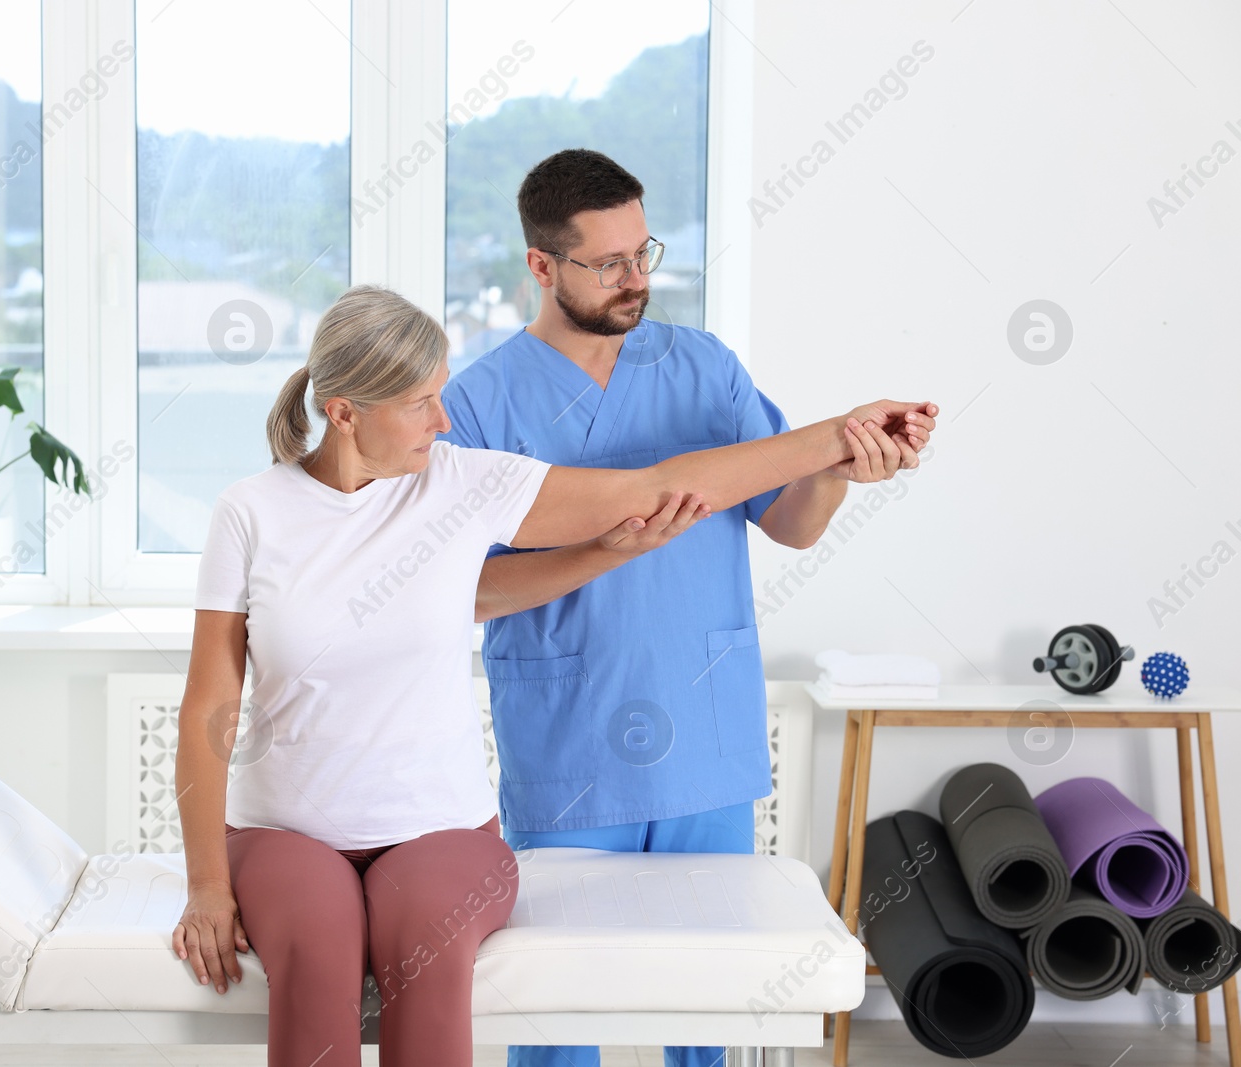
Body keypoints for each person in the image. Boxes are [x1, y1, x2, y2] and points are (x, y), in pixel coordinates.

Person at [172, 282, 928, 1067]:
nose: (444, 417)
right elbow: (208, 712)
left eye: (441, 394)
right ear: (344, 412)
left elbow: (651, 489)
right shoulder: (251, 512)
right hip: (284, 833)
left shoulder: (461, 481)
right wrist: (206, 887)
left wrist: (838, 438)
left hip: (440, 831)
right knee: (317, 949)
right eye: (421, 401)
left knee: (428, 952)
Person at [438, 148, 937, 1067]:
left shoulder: (704, 367)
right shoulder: (476, 402)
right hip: (570, 739)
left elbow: (788, 523)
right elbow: (458, 590)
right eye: (609, 263)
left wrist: (840, 472)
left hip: (705, 735)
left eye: (645, 251)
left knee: (707, 1001)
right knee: (558, 1008)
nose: (638, 280)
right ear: (542, 268)